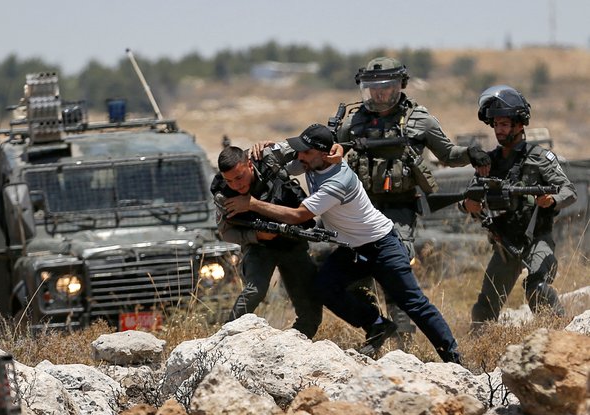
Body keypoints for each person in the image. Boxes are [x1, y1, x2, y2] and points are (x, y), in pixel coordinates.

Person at [224, 124, 462, 363]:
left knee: (413, 303)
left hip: (382, 246)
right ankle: (377, 325)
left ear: (324, 154)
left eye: (305, 152)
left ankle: (453, 359)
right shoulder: (313, 160)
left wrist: (252, 204)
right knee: (323, 286)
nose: (300, 157)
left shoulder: (338, 181)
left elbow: (299, 216)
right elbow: (265, 159)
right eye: (300, 151)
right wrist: (262, 147)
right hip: (353, 250)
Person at [334, 56, 492, 341]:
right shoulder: (354, 120)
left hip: (399, 208)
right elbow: (329, 152)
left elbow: (448, 155)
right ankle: (376, 331)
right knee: (354, 274)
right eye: (372, 88)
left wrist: (471, 152)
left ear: (400, 86)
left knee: (395, 270)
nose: (378, 94)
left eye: (385, 87)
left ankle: (404, 346)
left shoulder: (420, 120)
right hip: (360, 210)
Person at [460, 85, 576, 329]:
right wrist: (469, 206)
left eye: (504, 125)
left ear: (519, 125)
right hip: (504, 243)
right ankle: (473, 358)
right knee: (485, 306)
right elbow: (472, 198)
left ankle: (562, 337)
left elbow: (568, 191)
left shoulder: (539, 157)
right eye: (496, 125)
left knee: (538, 288)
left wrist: (551, 200)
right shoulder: (488, 163)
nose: (499, 130)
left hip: (537, 238)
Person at [210, 146, 323, 338]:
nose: (236, 185)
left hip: (292, 241)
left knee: (310, 302)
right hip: (258, 246)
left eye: (239, 177)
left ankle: (296, 342)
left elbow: (304, 145)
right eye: (230, 181)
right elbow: (226, 233)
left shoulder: (267, 160)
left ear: (249, 165)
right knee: (255, 290)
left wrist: (271, 144)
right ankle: (225, 338)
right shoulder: (224, 194)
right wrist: (256, 236)